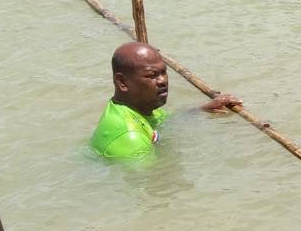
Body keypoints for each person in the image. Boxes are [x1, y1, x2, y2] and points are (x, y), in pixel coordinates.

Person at [89, 41, 239, 159]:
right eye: (151, 75)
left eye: (163, 72)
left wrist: (202, 109)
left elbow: (165, 123)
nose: (162, 81)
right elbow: (150, 186)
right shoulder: (130, 138)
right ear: (122, 82)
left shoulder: (138, 109)